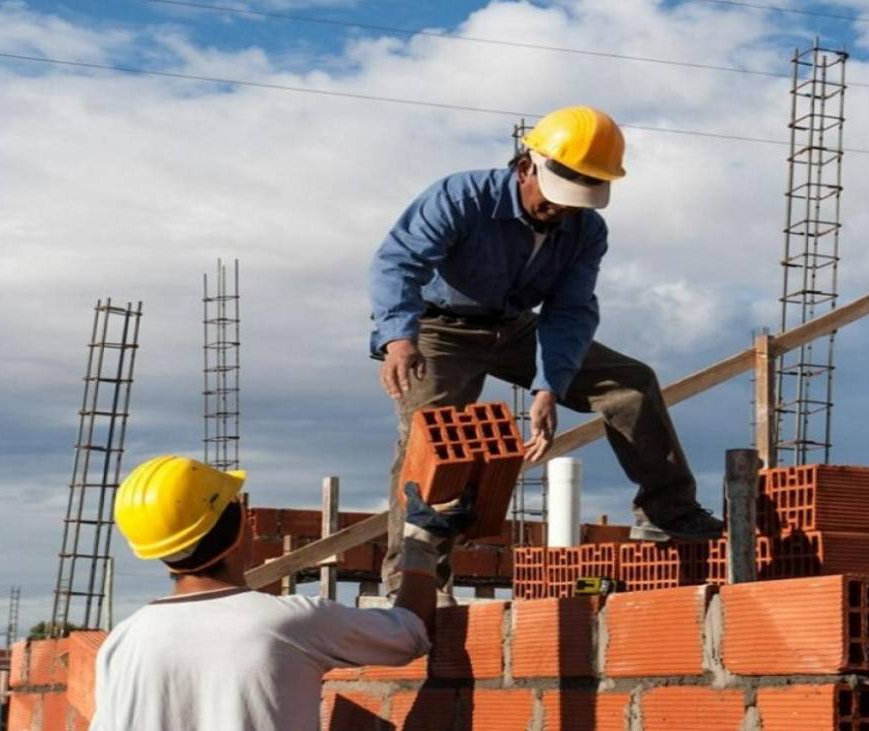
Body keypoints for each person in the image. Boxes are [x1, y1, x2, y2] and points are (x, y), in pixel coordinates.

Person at [369, 105, 725, 594]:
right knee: (434, 440)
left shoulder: (586, 231)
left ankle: (670, 512)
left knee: (630, 383)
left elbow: (569, 312)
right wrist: (398, 337)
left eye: (578, 200)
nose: (563, 210)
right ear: (526, 168)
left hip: (514, 326)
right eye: (557, 197)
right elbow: (398, 261)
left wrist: (548, 387)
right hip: (439, 330)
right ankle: (414, 581)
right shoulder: (461, 197)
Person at [90, 455, 474, 731]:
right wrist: (422, 542)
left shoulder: (124, 640)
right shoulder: (285, 623)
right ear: (240, 526)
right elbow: (408, 632)